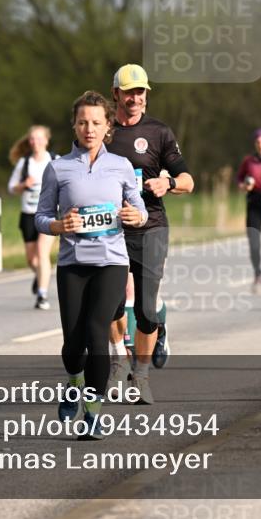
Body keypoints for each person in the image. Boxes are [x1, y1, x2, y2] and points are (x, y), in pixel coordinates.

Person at [34, 91, 146, 439]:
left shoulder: (121, 166)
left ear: (107, 126)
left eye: (96, 122)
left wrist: (136, 216)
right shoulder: (58, 168)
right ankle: (74, 380)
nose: (89, 128)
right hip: (73, 264)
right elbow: (40, 215)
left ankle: (93, 413)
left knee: (98, 333)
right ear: (74, 124)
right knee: (73, 344)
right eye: (83, 122)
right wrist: (56, 226)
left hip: (111, 262)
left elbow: (138, 208)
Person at [106, 64, 193, 403]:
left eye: (140, 92)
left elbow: (188, 180)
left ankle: (140, 375)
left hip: (151, 228)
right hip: (110, 231)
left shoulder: (158, 132)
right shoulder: (103, 131)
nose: (136, 98)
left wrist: (168, 182)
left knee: (144, 310)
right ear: (116, 94)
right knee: (110, 304)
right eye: (129, 92)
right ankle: (118, 362)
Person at [8, 125, 56, 310]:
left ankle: (42, 295)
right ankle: (40, 276)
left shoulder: (55, 160)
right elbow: (11, 188)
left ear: (46, 140)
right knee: (31, 259)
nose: (35, 142)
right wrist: (22, 185)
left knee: (42, 254)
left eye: (39, 138)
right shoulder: (24, 163)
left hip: (49, 213)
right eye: (32, 139)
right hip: (28, 214)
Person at [236, 129, 261, 296]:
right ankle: (258, 272)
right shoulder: (249, 161)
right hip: (254, 203)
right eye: (258, 141)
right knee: (254, 243)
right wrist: (245, 186)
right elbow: (239, 179)